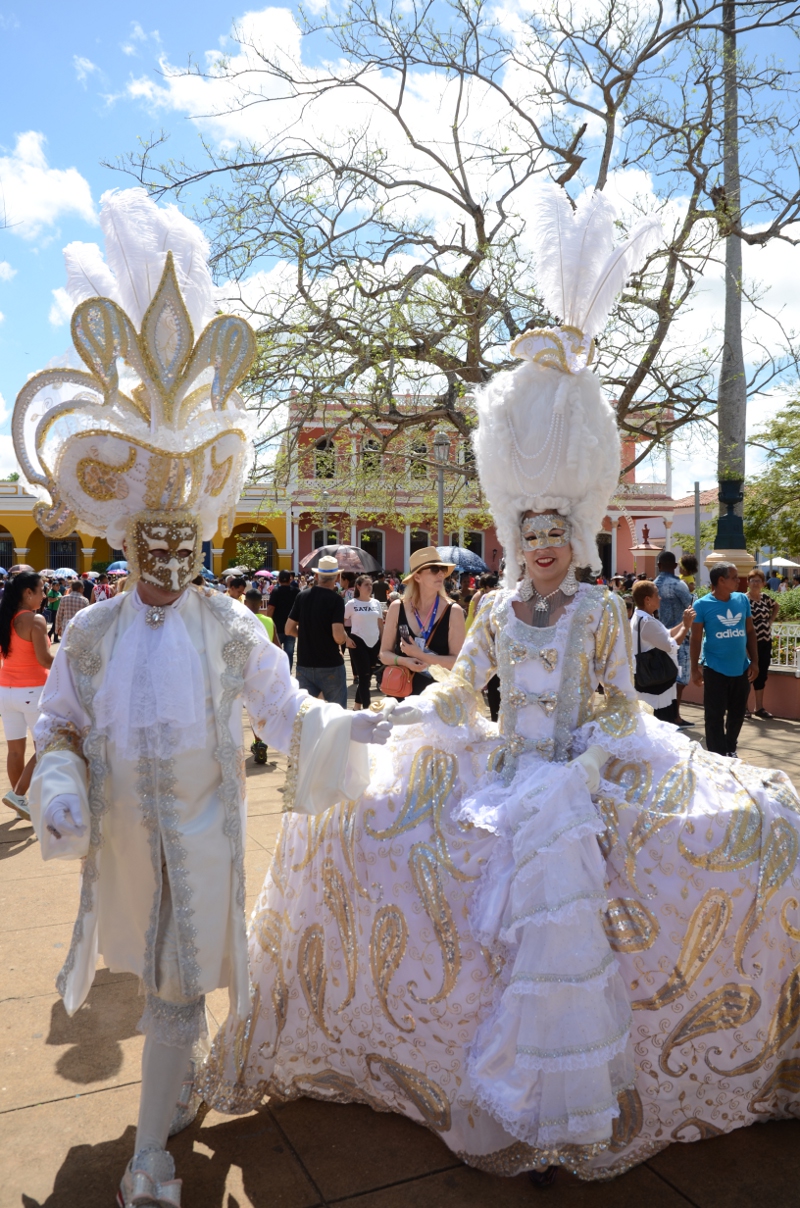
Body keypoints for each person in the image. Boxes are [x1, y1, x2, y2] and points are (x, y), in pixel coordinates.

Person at [203, 189, 800, 1185]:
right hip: (501, 772)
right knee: (365, 838)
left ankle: (584, 1096)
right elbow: (459, 693)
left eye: (554, 532)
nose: (542, 548)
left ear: (575, 528)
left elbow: (620, 701)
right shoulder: (489, 610)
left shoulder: (601, 612)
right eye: (526, 535)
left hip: (576, 774)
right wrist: (403, 712)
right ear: (512, 536)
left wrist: (610, 748)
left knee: (700, 851)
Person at [14, 190, 392, 1208]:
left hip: (206, 827)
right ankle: (173, 1091)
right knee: (154, 975)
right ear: (128, 537)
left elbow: (284, 710)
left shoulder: (230, 624)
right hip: (131, 835)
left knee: (182, 978)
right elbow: (57, 725)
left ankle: (147, 1155)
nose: (174, 559)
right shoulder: (88, 631)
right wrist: (55, 782)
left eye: (190, 544)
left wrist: (356, 721)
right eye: (156, 542)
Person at [0, 571, 54, 819]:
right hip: (33, 690)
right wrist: (70, 658)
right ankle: (20, 795)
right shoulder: (35, 620)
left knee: (14, 750)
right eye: (41, 590)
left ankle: (18, 798)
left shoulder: (4, 617)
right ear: (27, 593)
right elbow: (44, 659)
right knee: (46, 745)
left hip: (6, 690)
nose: (44, 595)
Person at [691, 562, 758, 757]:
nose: (739, 581)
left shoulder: (741, 600)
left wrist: (754, 661)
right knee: (714, 716)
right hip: (715, 668)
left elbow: (750, 631)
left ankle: (730, 748)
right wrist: (695, 668)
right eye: (734, 577)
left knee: (737, 714)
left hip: (741, 668)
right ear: (721, 580)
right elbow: (695, 638)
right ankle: (717, 754)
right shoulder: (702, 605)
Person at [379, 547, 466, 697]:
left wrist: (419, 654)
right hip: (401, 693)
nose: (440, 573)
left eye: (442, 570)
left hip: (439, 698)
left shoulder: (454, 611)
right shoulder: (397, 607)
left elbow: (457, 662)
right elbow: (384, 654)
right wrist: (405, 661)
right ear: (417, 577)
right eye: (434, 569)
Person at [284, 555, 349, 707]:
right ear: (337, 577)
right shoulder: (336, 600)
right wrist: (345, 638)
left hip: (304, 663)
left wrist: (307, 634)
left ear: (317, 575)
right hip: (330, 664)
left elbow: (288, 629)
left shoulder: (302, 596)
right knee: (338, 715)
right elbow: (338, 636)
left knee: (304, 715)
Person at [630, 579, 695, 723]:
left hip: (654, 681)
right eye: (656, 595)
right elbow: (670, 644)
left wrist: (684, 623)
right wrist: (686, 627)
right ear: (647, 599)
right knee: (659, 722)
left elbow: (666, 633)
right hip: (655, 683)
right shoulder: (646, 622)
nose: (659, 598)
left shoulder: (644, 618)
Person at [653, 550, 693, 727]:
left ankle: (664, 714)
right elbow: (691, 606)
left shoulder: (653, 585)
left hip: (659, 636)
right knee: (679, 679)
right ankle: (675, 716)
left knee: (664, 678)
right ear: (675, 566)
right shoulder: (678, 585)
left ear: (659, 565)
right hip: (680, 635)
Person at [344, 575, 384, 709]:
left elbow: (380, 625)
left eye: (371, 584)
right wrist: (346, 638)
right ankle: (368, 709)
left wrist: (383, 643)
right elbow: (339, 623)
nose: (369, 587)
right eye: (366, 584)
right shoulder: (351, 604)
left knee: (367, 679)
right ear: (358, 587)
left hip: (375, 643)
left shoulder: (376, 603)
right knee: (364, 676)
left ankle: (356, 706)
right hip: (358, 642)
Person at [746, 569, 779, 719]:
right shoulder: (744, 599)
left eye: (758, 580)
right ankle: (743, 707)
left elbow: (776, 606)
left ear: (763, 583)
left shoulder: (765, 598)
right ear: (748, 582)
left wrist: (770, 620)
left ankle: (759, 707)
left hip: (765, 641)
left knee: (762, 673)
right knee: (747, 673)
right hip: (750, 642)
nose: (755, 583)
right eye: (752, 580)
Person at [267, 569, 299, 672]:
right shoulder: (296, 591)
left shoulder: (276, 591)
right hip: (291, 627)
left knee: (276, 652)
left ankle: (277, 672)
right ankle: (287, 673)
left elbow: (271, 608)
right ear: (290, 579)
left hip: (277, 627)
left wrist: (269, 620)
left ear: (278, 579)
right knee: (289, 652)